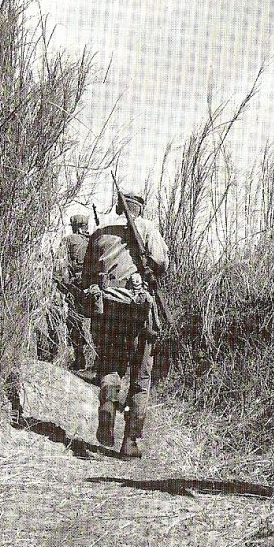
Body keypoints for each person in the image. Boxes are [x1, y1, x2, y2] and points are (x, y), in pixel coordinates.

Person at [80, 192, 169, 458]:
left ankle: (108, 404)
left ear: (118, 207)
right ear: (138, 209)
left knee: (110, 365)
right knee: (141, 376)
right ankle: (130, 441)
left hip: (108, 307)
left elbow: (87, 274)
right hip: (140, 311)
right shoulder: (148, 228)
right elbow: (162, 264)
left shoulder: (99, 233)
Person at [54, 213, 95, 371]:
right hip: (94, 287)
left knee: (74, 321)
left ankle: (80, 357)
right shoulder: (94, 240)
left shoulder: (68, 240)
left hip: (75, 287)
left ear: (75, 226)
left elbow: (59, 263)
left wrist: (62, 284)